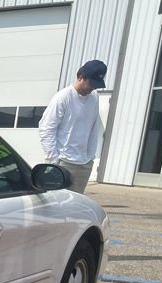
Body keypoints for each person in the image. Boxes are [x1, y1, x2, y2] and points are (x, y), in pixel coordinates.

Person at [38, 60, 108, 194]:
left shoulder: (94, 97)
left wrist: (90, 157)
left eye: (96, 85)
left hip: (84, 164)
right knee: (56, 204)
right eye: (91, 84)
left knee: (75, 207)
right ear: (81, 77)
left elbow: (93, 127)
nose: (92, 88)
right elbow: (46, 128)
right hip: (63, 162)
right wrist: (54, 161)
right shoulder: (63, 97)